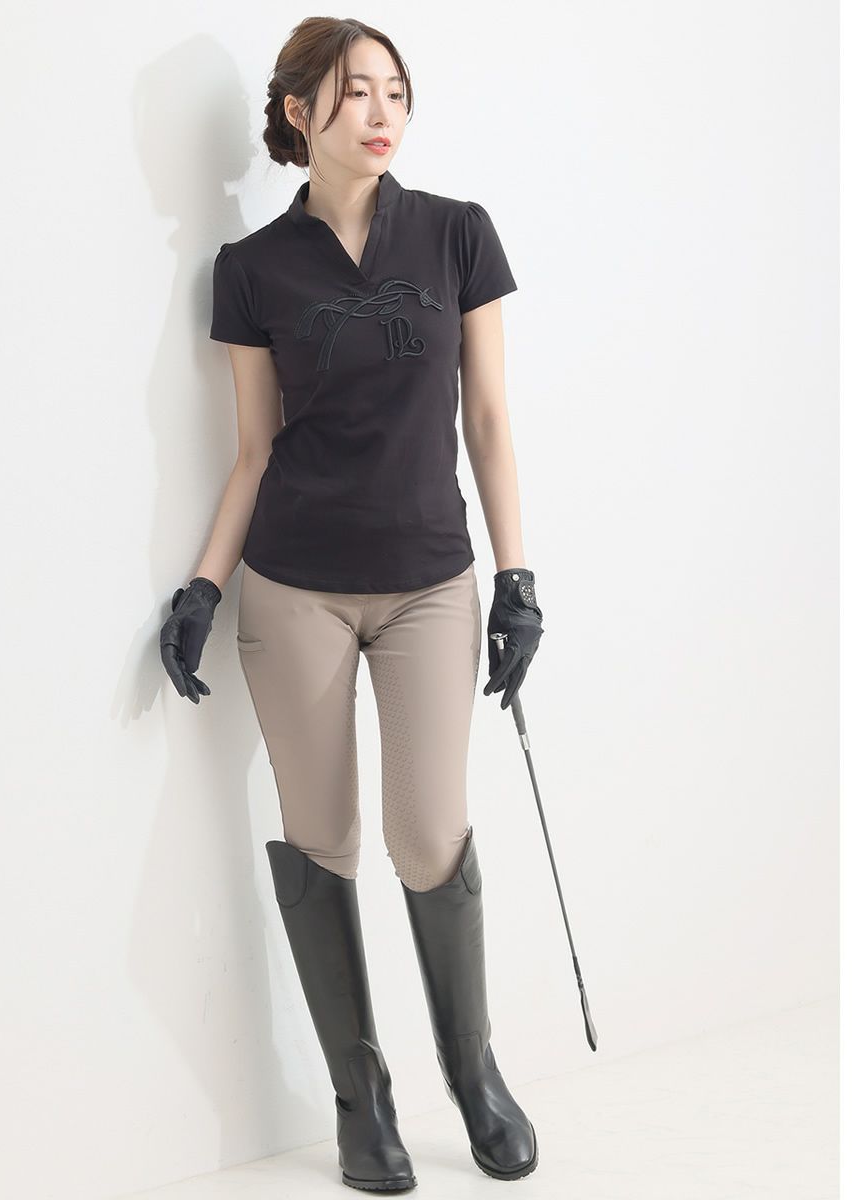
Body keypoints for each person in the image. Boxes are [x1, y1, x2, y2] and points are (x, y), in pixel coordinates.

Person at [160, 16, 545, 1191]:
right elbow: (253, 451)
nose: (382, 113)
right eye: (354, 91)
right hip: (296, 590)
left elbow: (489, 417)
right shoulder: (252, 269)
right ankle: (359, 1099)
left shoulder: (456, 234)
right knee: (321, 838)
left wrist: (518, 578)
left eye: (395, 91)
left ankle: (472, 1073)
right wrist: (204, 584)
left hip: (431, 582)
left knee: (427, 837)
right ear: (298, 113)